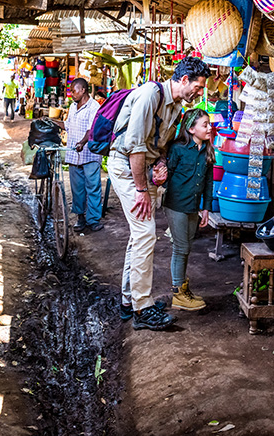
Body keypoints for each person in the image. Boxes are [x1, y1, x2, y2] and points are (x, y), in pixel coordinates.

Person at [110, 57, 210, 331]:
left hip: (145, 170)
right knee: (144, 234)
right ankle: (142, 310)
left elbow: (161, 146)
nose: (200, 93)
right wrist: (142, 188)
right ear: (184, 80)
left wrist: (162, 163)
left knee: (139, 236)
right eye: (199, 87)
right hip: (126, 167)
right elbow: (135, 147)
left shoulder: (176, 107)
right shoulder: (149, 95)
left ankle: (128, 302)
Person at [161, 108, 213, 312]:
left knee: (186, 248)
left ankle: (182, 287)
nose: (209, 128)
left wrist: (206, 208)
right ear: (191, 129)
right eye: (205, 124)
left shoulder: (207, 149)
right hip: (176, 205)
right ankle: (177, 294)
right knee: (181, 248)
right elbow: (166, 176)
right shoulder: (177, 149)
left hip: (193, 206)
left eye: (209, 124)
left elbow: (209, 182)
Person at [63, 78, 104, 232]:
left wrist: (82, 142)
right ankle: (80, 217)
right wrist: (51, 121)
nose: (71, 94)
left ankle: (93, 220)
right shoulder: (73, 106)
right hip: (74, 155)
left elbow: (91, 129)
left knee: (93, 187)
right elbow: (67, 125)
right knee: (77, 188)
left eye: (74, 90)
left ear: (84, 90)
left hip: (90, 154)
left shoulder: (93, 107)